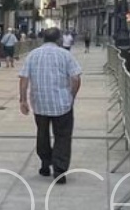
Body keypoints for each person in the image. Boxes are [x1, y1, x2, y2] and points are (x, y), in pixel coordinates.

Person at [19, 27, 83, 185]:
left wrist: (23, 100)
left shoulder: (33, 55)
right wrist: (71, 96)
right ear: (59, 39)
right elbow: (75, 78)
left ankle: (45, 163)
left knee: (42, 133)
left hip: (40, 102)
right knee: (62, 136)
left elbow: (24, 79)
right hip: (62, 103)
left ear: (43, 39)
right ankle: (60, 170)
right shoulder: (65, 55)